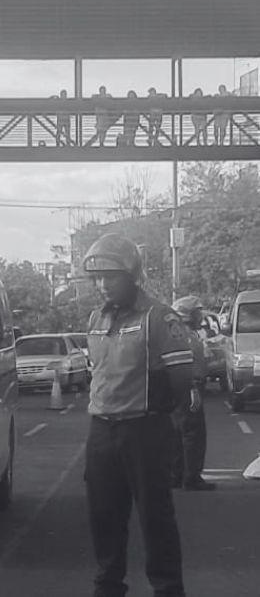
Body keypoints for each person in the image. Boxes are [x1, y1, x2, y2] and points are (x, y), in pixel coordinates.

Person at [82, 233, 192, 597]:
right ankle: (108, 586)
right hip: (101, 431)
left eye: (110, 277)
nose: (102, 286)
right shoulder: (96, 319)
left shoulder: (159, 316)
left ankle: (168, 589)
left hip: (144, 431)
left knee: (155, 517)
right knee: (104, 517)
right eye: (97, 279)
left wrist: (164, 413)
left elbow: (180, 377)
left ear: (132, 275)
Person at [171, 295, 215, 491]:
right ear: (187, 315)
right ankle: (191, 478)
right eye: (197, 312)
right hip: (188, 387)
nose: (200, 317)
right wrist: (191, 388)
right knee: (192, 433)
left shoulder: (189, 333)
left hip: (189, 386)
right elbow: (183, 365)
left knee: (180, 433)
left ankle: (178, 475)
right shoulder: (183, 335)